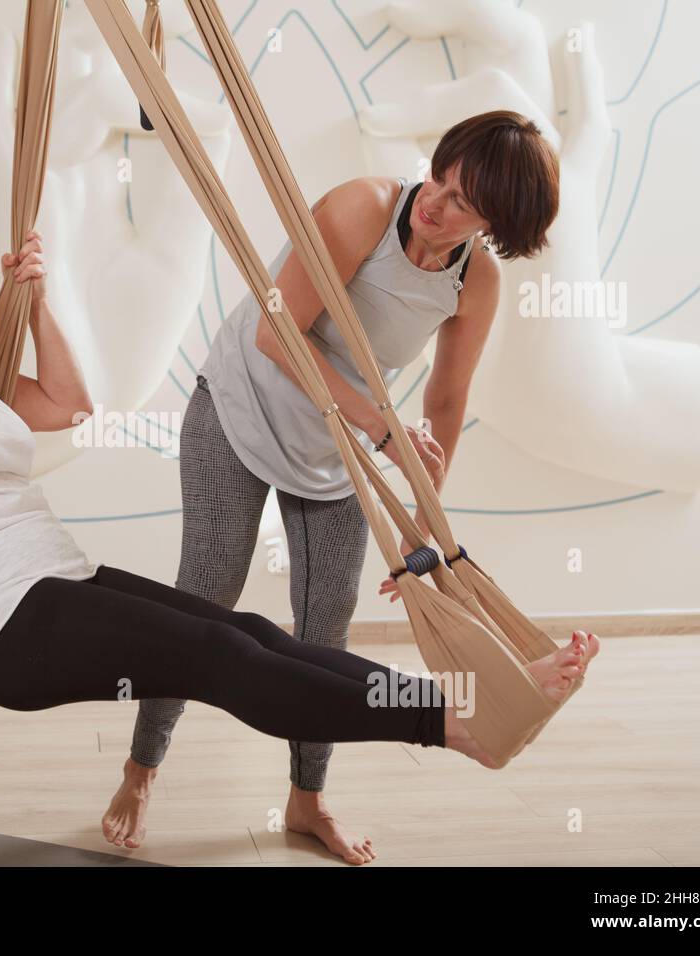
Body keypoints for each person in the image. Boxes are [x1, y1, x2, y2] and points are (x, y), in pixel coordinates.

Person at [0, 183, 597, 863]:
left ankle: (464, 704)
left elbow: (70, 403)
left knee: (247, 632)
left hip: (52, 580)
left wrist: (36, 300)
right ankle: (461, 727)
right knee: (219, 655)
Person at [106, 110, 566, 862]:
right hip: (240, 408)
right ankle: (141, 768)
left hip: (337, 447)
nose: (436, 202)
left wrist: (421, 532)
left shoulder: (475, 282)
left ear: (495, 223)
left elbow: (445, 404)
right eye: (441, 177)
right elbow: (276, 333)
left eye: (462, 201)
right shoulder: (363, 208)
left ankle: (306, 801)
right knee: (206, 594)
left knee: (326, 624)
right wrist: (383, 431)